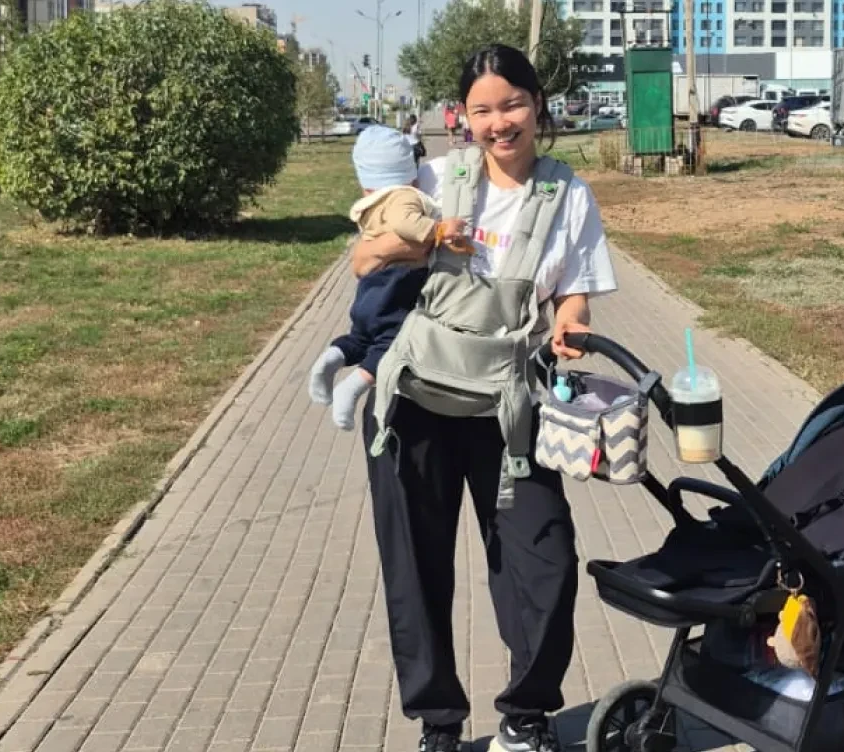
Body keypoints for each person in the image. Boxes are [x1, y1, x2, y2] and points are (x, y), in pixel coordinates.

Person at [348, 44, 618, 752]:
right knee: (416, 565)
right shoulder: (435, 179)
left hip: (508, 410)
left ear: (538, 104)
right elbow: (363, 259)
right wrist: (426, 239)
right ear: (462, 117)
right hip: (415, 404)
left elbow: (575, 295)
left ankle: (526, 717)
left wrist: (569, 325)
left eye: (512, 104)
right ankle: (438, 724)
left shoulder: (569, 196)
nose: (500, 123)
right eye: (482, 110)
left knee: (545, 560)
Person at [308, 126, 472, 430]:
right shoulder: (404, 196)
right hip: (398, 282)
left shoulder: (372, 202)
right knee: (394, 340)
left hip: (372, 285)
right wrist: (439, 229)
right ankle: (352, 388)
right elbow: (407, 224)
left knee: (362, 336)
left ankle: (332, 358)